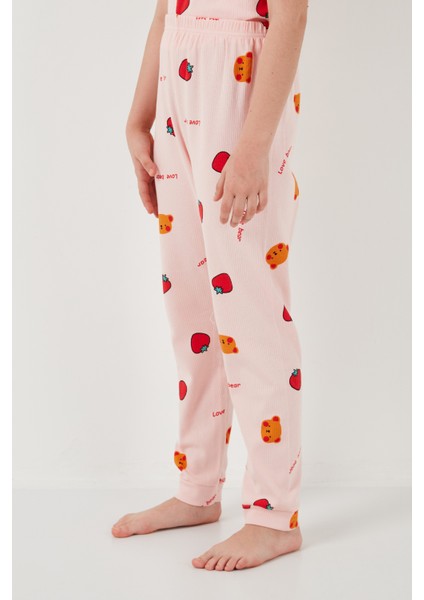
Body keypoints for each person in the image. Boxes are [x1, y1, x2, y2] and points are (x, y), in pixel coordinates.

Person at [111, 0, 308, 571]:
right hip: (177, 85)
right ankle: (197, 486)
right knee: (191, 306)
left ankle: (273, 515)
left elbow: (291, 16)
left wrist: (254, 145)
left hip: (241, 92)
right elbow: (163, 13)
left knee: (251, 311)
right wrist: (138, 118)